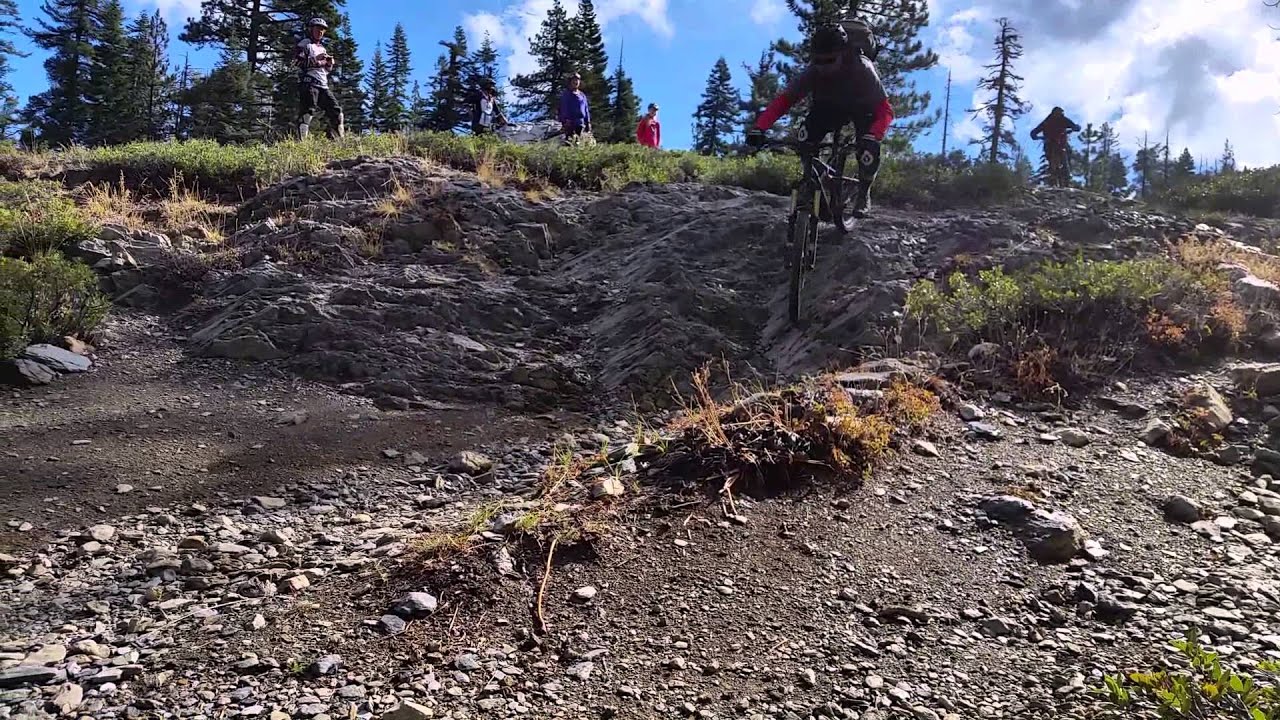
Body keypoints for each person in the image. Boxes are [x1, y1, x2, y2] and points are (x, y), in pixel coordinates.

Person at [746, 23, 893, 219]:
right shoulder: (812, 72)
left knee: (869, 150)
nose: (824, 67)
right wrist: (759, 128)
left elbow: (885, 111)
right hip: (829, 107)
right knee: (804, 138)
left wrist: (874, 136)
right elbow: (784, 101)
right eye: (818, 61)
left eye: (830, 60)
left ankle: (864, 192)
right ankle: (812, 184)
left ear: (843, 53)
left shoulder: (863, 68)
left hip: (863, 108)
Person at [295, 17, 344, 140]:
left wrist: (329, 63)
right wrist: (319, 61)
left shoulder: (322, 47)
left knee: (336, 111)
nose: (320, 32)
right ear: (311, 29)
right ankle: (302, 143)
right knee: (308, 112)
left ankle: (338, 139)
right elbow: (297, 62)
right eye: (318, 29)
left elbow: (326, 70)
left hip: (323, 84)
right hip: (309, 83)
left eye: (323, 30)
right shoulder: (305, 44)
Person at [1030, 107, 1081, 187]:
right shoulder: (1051, 121)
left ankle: (1061, 175)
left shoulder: (1052, 120)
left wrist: (1075, 128)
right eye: (1059, 114)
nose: (1059, 116)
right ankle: (1057, 176)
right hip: (1052, 144)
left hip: (1059, 143)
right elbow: (1033, 133)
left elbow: (1034, 133)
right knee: (1056, 156)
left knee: (1066, 153)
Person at [557, 72, 592, 142]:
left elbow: (586, 109)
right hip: (570, 123)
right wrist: (565, 120)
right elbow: (563, 108)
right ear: (570, 82)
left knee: (579, 142)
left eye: (577, 80)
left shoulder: (582, 95)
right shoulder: (566, 94)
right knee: (570, 142)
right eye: (574, 80)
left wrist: (588, 122)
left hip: (580, 123)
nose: (576, 82)